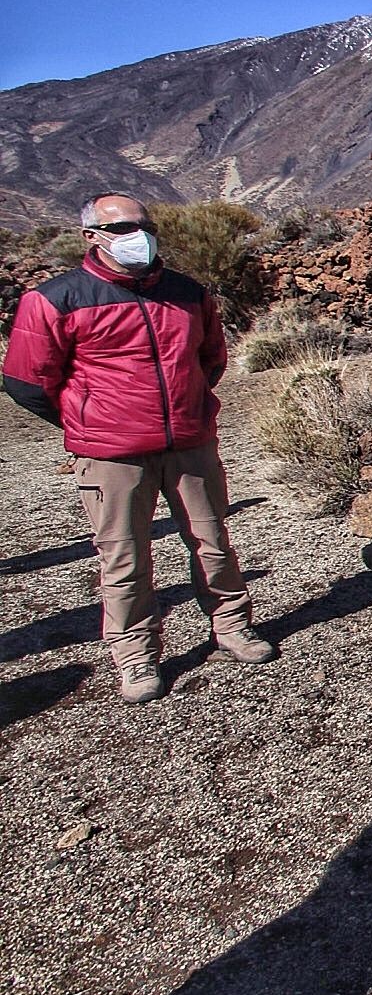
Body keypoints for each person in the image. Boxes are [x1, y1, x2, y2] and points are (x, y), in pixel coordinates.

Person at [3, 193, 273, 704]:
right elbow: (26, 381)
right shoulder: (57, 299)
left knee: (213, 540)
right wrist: (88, 422)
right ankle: (136, 656)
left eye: (144, 225)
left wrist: (187, 403)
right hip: (112, 453)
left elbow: (210, 358)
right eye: (122, 226)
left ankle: (232, 628)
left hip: (189, 443)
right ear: (91, 236)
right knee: (124, 557)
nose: (138, 235)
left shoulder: (187, 294)